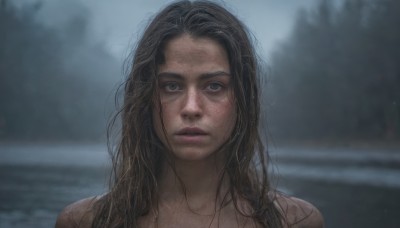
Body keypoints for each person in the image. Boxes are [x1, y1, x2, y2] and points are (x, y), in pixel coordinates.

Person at [55, 1, 324, 227]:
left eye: (214, 86)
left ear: (243, 99)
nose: (191, 108)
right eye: (171, 86)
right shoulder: (86, 222)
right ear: (144, 97)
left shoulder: (296, 222)